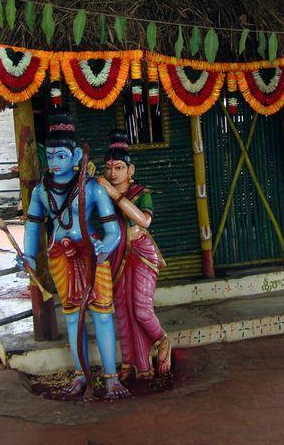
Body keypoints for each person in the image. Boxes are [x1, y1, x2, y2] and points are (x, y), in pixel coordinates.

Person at [21, 112, 128, 399]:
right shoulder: (41, 191)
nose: (54, 163)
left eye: (61, 156)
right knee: (71, 317)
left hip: (91, 254)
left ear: (77, 155)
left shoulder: (92, 188)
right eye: (50, 156)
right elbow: (32, 226)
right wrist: (29, 256)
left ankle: (111, 377)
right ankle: (81, 373)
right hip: (60, 256)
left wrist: (106, 247)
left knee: (102, 315)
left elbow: (112, 230)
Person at [97, 129, 171, 381]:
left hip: (141, 253)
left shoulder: (140, 192)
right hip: (117, 253)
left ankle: (162, 340)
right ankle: (132, 362)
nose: (113, 173)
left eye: (119, 167)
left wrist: (114, 194)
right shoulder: (102, 193)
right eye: (108, 168)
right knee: (122, 312)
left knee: (140, 309)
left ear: (130, 170)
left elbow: (144, 221)